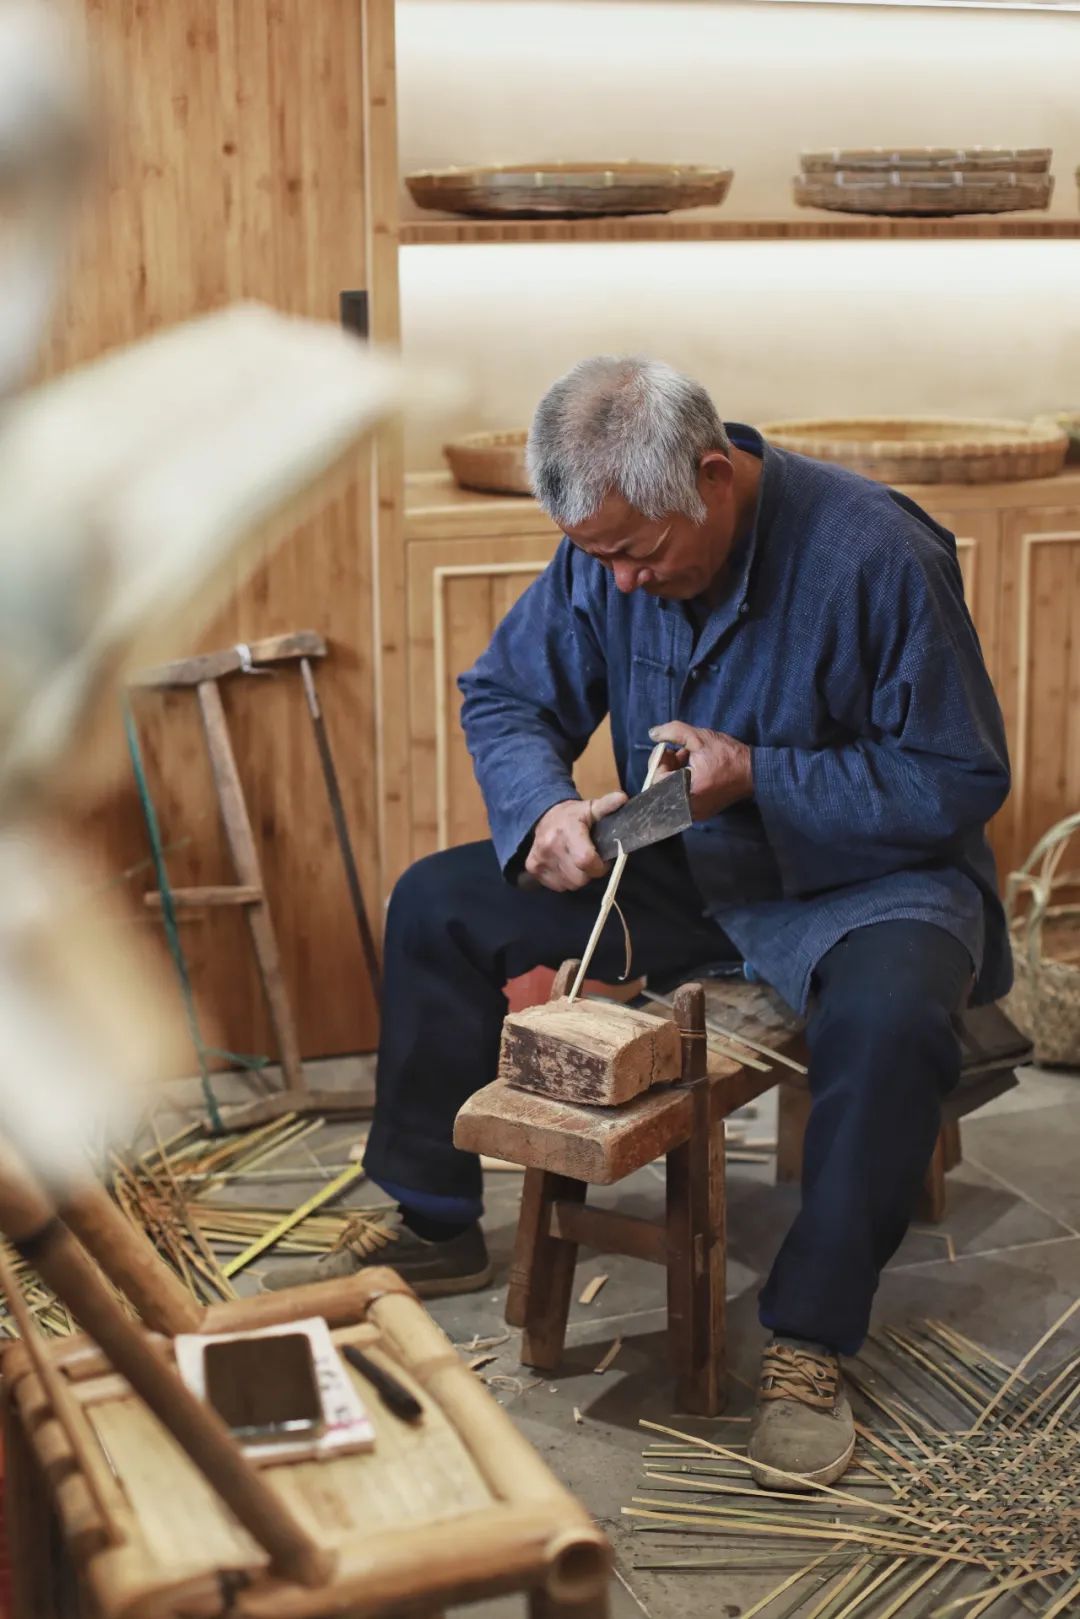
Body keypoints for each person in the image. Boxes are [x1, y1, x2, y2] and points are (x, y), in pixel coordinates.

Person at [271, 356, 1011, 1491]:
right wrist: (544, 812)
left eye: (637, 554)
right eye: (596, 555)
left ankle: (812, 1340)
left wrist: (760, 770)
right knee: (437, 899)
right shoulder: (602, 551)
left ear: (714, 475)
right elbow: (508, 695)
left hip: (870, 877)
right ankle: (435, 1219)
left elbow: (958, 778)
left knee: (895, 1013)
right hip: (681, 854)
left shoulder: (877, 551)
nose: (616, 582)